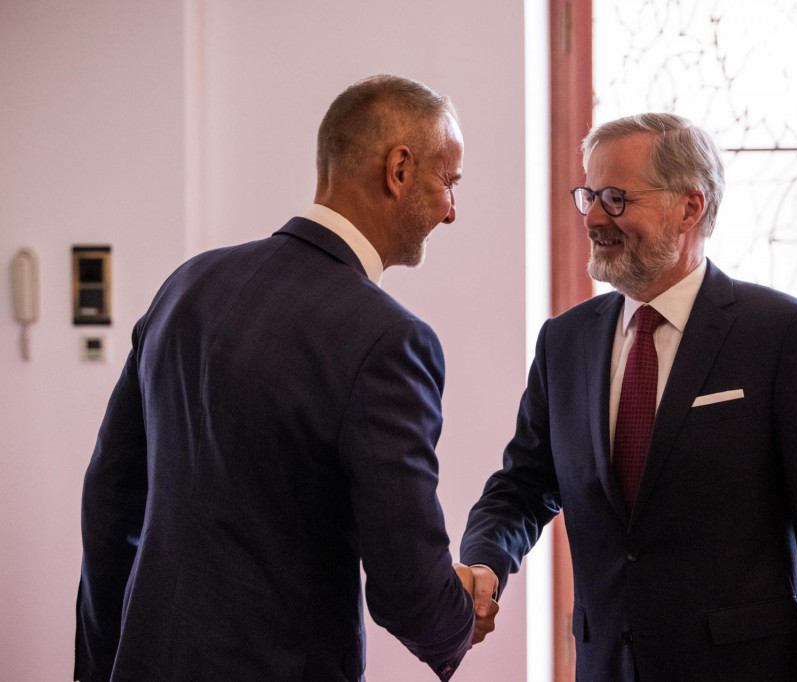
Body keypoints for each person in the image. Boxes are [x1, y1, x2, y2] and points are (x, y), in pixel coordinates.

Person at [75, 75, 496, 682]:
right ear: (398, 170)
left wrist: (101, 666)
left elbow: (110, 500)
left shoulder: (188, 285)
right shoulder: (390, 340)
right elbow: (408, 589)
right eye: (448, 182)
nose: (451, 211)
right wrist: (460, 612)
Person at [459, 113, 797, 681]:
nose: (591, 217)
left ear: (690, 207)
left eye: (615, 198)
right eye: (587, 195)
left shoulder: (781, 333)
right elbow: (524, 485)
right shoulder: (565, 341)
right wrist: (486, 557)